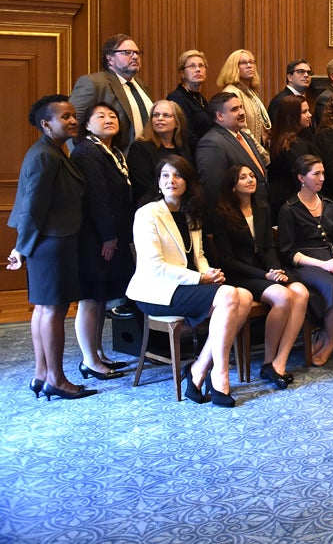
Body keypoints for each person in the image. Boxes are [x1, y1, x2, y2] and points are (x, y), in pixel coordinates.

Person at [126, 156, 252, 407]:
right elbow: (155, 266)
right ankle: (220, 374)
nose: (171, 180)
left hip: (185, 286)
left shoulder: (190, 213)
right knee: (228, 295)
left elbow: (199, 256)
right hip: (156, 292)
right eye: (165, 175)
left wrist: (209, 273)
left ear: (187, 182)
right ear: (158, 182)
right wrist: (200, 278)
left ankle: (198, 369)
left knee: (245, 297)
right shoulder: (147, 214)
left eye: (178, 175)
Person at [7, 96, 93, 400]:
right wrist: (22, 248)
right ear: (46, 124)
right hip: (51, 243)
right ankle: (56, 379)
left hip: (51, 242)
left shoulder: (53, 151)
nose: (73, 121)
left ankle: (42, 375)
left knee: (44, 310)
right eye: (65, 117)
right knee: (52, 311)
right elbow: (33, 207)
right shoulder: (46, 155)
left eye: (73, 116)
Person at [207, 165, 309, 388]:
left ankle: (279, 363)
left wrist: (275, 269)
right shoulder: (221, 213)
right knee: (283, 296)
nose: (250, 180)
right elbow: (228, 261)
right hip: (241, 275)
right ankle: (268, 361)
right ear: (233, 186)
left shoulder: (261, 207)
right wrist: (266, 274)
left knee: (300, 292)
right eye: (243, 177)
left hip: (266, 270)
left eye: (252, 176)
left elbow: (269, 247)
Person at [277, 155, 333, 366]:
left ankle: (328, 335)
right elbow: (289, 252)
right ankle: (329, 340)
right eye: (316, 174)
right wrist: (324, 265)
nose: (322, 178)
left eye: (323, 173)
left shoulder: (329, 204)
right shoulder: (289, 209)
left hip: (331, 258)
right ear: (301, 177)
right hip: (306, 264)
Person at [72, 102, 138, 377]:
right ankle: (89, 359)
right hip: (95, 237)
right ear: (87, 124)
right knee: (90, 297)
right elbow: (97, 198)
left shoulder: (112, 152)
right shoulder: (87, 152)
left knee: (101, 298)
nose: (109, 119)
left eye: (113, 115)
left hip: (110, 234)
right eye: (100, 116)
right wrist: (108, 236)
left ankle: (98, 353)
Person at [68, 33, 153, 151]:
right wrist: (82, 157)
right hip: (112, 160)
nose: (135, 57)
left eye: (137, 53)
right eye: (127, 52)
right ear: (110, 59)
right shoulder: (93, 83)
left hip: (145, 159)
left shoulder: (141, 85)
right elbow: (72, 123)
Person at [195, 92, 269, 211]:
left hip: (258, 210)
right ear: (220, 116)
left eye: (241, 107)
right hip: (236, 216)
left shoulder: (245, 136)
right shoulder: (212, 143)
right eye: (234, 109)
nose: (242, 112)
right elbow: (213, 189)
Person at [128, 99, 192, 205]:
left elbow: (190, 180)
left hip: (182, 206)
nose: (160, 119)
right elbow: (144, 187)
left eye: (166, 115)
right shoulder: (140, 148)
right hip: (154, 208)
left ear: (177, 122)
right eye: (156, 115)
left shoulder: (183, 148)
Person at [267, 94, 318, 216]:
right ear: (292, 116)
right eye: (304, 112)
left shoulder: (298, 137)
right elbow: (303, 176)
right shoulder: (292, 144)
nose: (309, 115)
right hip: (292, 202)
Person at [217, 49, 272, 156]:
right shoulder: (232, 92)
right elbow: (240, 128)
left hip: (256, 149)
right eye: (243, 63)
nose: (249, 65)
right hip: (245, 152)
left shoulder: (250, 91)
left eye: (252, 62)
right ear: (233, 67)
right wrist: (262, 154)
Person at [167, 49, 212, 152]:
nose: (197, 69)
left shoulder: (201, 98)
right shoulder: (176, 98)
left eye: (201, 65)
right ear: (182, 73)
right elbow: (185, 136)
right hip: (191, 156)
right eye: (192, 66)